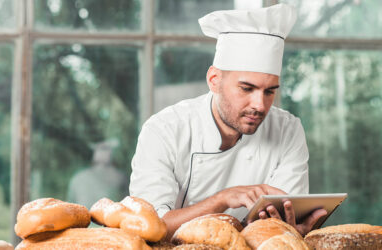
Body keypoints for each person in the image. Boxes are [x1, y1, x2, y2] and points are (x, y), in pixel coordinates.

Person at [130, 4, 327, 238]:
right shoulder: (164, 130)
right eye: (247, 88)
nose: (260, 105)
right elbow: (151, 227)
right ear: (214, 80)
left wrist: (292, 231)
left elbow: (283, 220)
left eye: (269, 91)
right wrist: (222, 199)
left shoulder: (288, 130)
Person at [68, 139, 128, 209]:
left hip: (83, 218)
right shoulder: (119, 177)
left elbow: (71, 206)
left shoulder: (78, 177)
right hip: (110, 218)